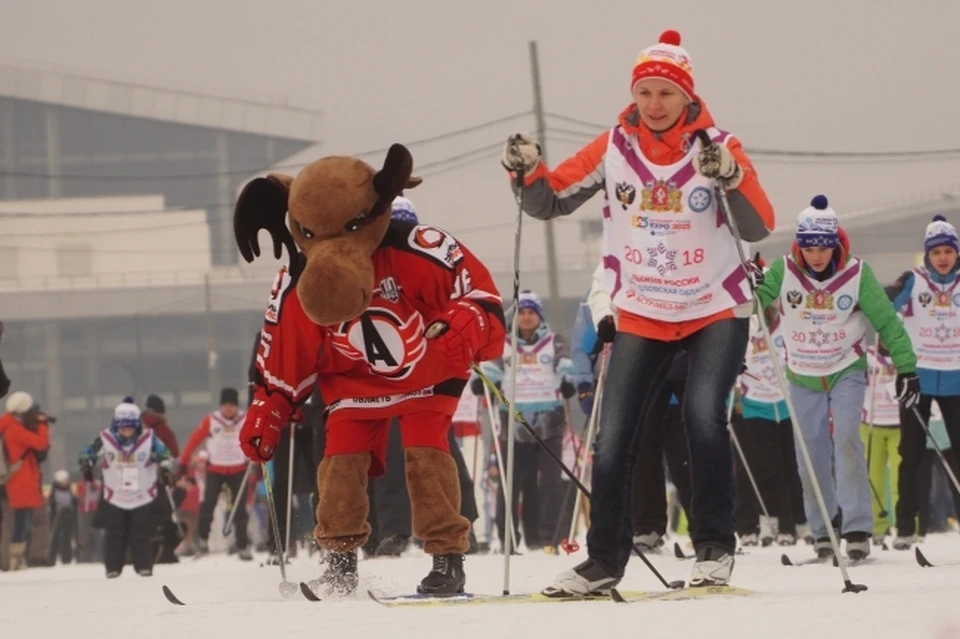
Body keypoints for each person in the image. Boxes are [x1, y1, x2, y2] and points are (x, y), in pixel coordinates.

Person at [502, 29, 774, 592]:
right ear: (634, 94)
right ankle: (604, 559)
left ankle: (715, 545)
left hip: (714, 307)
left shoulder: (717, 146)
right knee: (613, 434)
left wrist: (732, 175)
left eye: (666, 94)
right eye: (645, 92)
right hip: (644, 309)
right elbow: (550, 198)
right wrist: (525, 170)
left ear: (686, 98)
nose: (654, 104)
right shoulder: (613, 148)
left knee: (702, 415)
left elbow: (758, 226)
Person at [236, 152, 506, 597]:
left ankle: (447, 558)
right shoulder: (299, 274)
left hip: (425, 368)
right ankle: (340, 564)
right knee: (339, 465)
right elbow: (286, 348)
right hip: (352, 379)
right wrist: (272, 404)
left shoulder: (420, 247)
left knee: (426, 456)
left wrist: (468, 324)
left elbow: (478, 294)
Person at [754, 195, 918, 561]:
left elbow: (886, 321)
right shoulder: (783, 270)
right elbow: (754, 304)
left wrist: (907, 367)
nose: (816, 256)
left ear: (835, 245)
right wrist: (749, 283)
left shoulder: (857, 273)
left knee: (846, 440)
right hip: (802, 374)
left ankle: (857, 527)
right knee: (810, 454)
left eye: (823, 248)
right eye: (809, 247)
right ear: (800, 246)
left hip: (846, 368)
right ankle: (823, 528)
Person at [473, 290, 574, 552]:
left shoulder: (553, 340)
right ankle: (508, 538)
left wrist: (568, 378)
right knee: (511, 483)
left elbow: (565, 362)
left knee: (551, 482)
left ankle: (550, 537)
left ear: (539, 316)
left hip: (548, 422)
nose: (527, 318)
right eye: (522, 313)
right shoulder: (503, 344)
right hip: (514, 424)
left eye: (531, 313)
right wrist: (483, 381)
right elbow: (492, 370)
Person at [888, 215, 960, 550]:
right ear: (927, 255)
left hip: (957, 378)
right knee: (911, 452)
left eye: (948, 251)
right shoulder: (914, 282)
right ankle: (906, 527)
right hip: (918, 377)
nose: (943, 257)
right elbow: (886, 308)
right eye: (936, 252)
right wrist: (889, 294)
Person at [732, 306, 806, 547]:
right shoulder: (744, 328)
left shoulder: (784, 324)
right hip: (755, 404)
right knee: (761, 466)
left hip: (785, 403)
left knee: (788, 465)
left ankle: (791, 523)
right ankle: (763, 520)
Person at [78, 399, 175, 577]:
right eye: (122, 427)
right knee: (115, 532)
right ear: (116, 425)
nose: (126, 431)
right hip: (115, 495)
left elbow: (165, 454)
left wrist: (166, 469)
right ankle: (113, 567)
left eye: (130, 427)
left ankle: (144, 566)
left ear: (137, 425)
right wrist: (86, 465)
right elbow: (87, 452)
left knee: (141, 533)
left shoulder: (148, 438)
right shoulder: (105, 438)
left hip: (142, 495)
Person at [179, 388, 252, 560]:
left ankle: (242, 545)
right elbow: (194, 439)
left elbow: (256, 437)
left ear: (236, 406)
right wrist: (183, 462)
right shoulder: (211, 421)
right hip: (216, 469)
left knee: (239, 508)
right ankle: (203, 540)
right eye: (225, 405)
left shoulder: (245, 419)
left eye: (232, 405)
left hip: (238, 468)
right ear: (221, 405)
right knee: (208, 504)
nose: (228, 409)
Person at [0, 392, 51, 570]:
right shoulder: (14, 429)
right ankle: (14, 559)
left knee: (15, 521)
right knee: (20, 521)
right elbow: (41, 443)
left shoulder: (7, 424)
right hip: (19, 480)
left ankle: (13, 559)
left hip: (12, 479)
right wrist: (43, 424)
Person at [860, 341, 901, 546]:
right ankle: (877, 527)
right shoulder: (868, 356)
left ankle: (905, 525)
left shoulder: (903, 353)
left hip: (899, 424)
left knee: (900, 477)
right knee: (873, 478)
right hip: (872, 424)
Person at [47, 469, 78, 565]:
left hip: (68, 515)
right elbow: (51, 504)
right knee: (54, 537)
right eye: (63, 480)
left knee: (67, 537)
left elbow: (74, 502)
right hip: (56, 516)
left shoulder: (69, 490)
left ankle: (67, 558)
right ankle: (51, 558)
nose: (65, 482)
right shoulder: (54, 491)